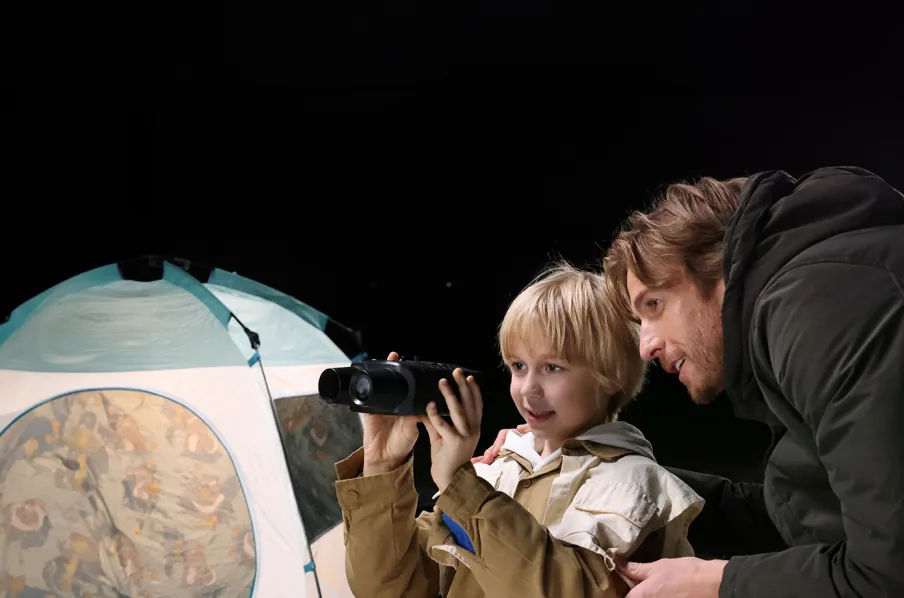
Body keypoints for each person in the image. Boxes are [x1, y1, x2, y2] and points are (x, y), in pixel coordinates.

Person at [478, 166, 904, 598]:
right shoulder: (814, 294)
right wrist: (592, 468)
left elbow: (887, 573)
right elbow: (805, 518)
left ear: (715, 269)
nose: (646, 345)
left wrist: (718, 582)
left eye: (655, 304)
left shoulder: (822, 312)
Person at [332, 261, 705, 598]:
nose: (528, 389)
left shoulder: (634, 483)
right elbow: (387, 588)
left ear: (611, 377)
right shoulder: (494, 472)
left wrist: (462, 488)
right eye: (518, 366)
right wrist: (381, 467)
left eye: (553, 367)